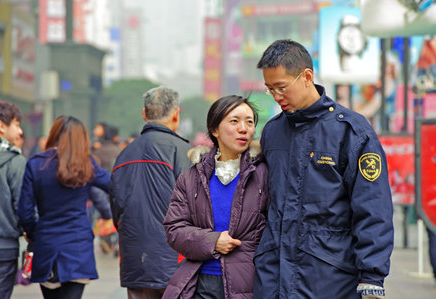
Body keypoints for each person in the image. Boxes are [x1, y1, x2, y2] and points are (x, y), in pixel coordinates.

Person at [254, 39, 394, 298]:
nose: (276, 96)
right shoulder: (273, 132)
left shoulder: (350, 132)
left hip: (329, 278)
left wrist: (372, 277)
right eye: (269, 89)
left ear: (307, 76)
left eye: (281, 87)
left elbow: (373, 207)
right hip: (273, 276)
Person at [162, 95, 269, 298]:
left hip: (250, 283)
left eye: (249, 122)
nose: (244, 128)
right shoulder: (191, 177)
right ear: (214, 130)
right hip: (200, 283)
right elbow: (174, 229)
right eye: (234, 121)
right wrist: (212, 241)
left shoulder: (264, 175)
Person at [110, 86, 192, 299]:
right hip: (174, 260)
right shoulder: (183, 152)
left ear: (144, 114)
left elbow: (117, 209)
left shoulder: (124, 154)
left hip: (135, 259)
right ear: (176, 113)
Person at [17, 116, 111, 299]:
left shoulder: (36, 164)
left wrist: (33, 233)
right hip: (78, 247)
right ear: (81, 138)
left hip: (46, 245)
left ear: (54, 134)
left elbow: (25, 212)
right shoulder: (87, 163)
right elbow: (115, 186)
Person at [0, 101, 26, 299]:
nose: (20, 132)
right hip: (3, 250)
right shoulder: (15, 162)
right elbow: (23, 206)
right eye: (16, 124)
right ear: (2, 126)